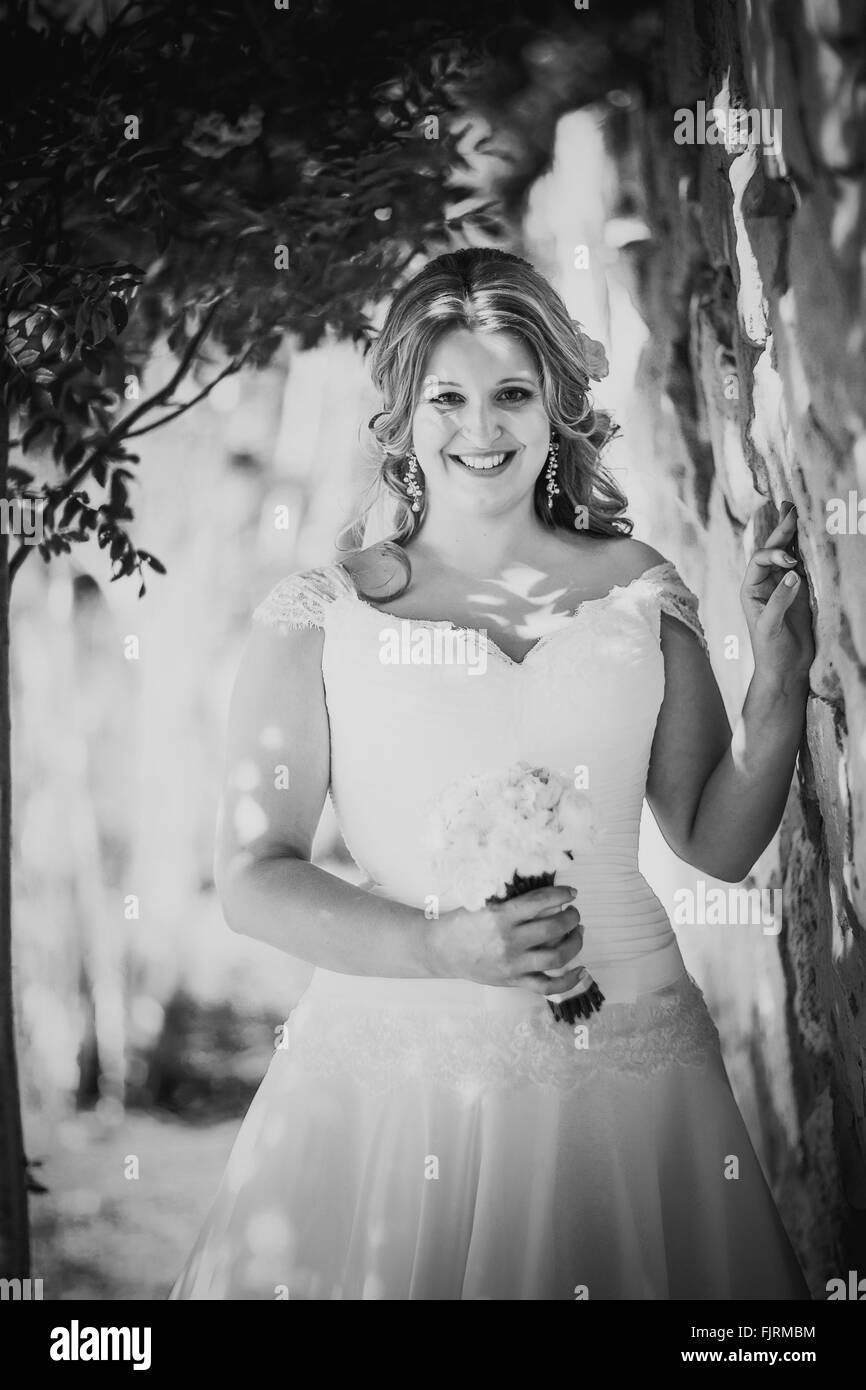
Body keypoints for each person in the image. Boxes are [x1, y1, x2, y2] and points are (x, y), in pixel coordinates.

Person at [170, 247, 813, 1300]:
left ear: (554, 403)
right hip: (394, 1077)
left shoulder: (639, 589)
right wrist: (437, 944)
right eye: (448, 397)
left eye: (511, 392)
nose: (481, 428)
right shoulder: (323, 614)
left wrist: (777, 682)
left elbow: (715, 836)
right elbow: (253, 874)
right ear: (403, 415)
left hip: (633, 1058)